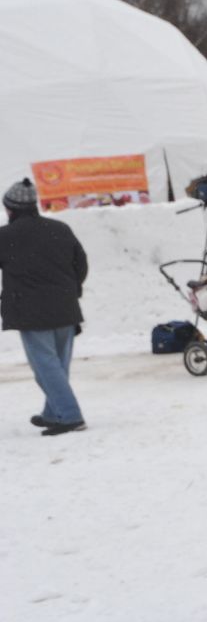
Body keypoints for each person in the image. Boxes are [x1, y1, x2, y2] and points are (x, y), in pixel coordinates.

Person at [0, 178, 89, 436]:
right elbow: (80, 264)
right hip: (66, 307)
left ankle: (71, 416)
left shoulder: (5, 237)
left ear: (11, 209)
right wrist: (71, 290)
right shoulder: (60, 229)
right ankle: (53, 412)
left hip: (32, 312)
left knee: (45, 368)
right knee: (58, 366)